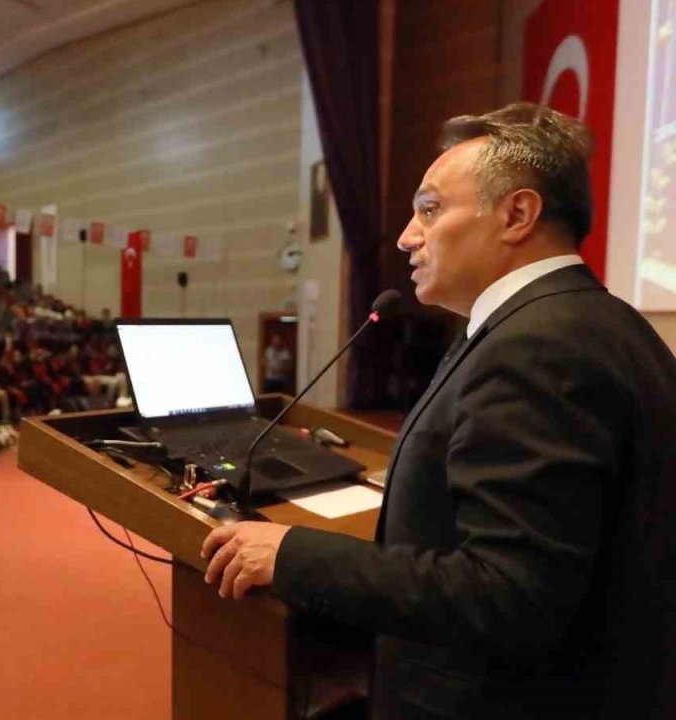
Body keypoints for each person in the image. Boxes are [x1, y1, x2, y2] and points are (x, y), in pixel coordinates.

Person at [200, 104, 676, 719]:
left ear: (518, 214)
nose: (406, 235)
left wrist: (291, 555)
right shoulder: (589, 320)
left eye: (430, 209)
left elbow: (509, 595)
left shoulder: (538, 347)